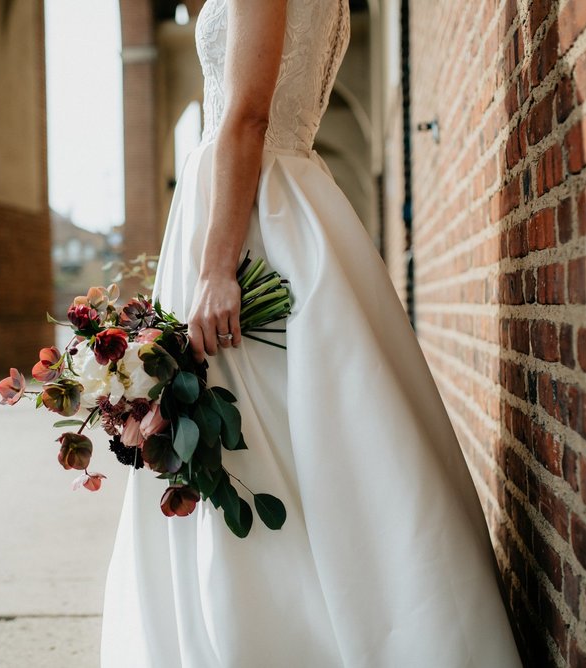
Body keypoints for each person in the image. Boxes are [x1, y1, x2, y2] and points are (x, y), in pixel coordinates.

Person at [100, 0, 523, 666]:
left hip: (251, 225)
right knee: (291, 448)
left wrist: (216, 269)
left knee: (253, 446)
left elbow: (247, 115)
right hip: (273, 202)